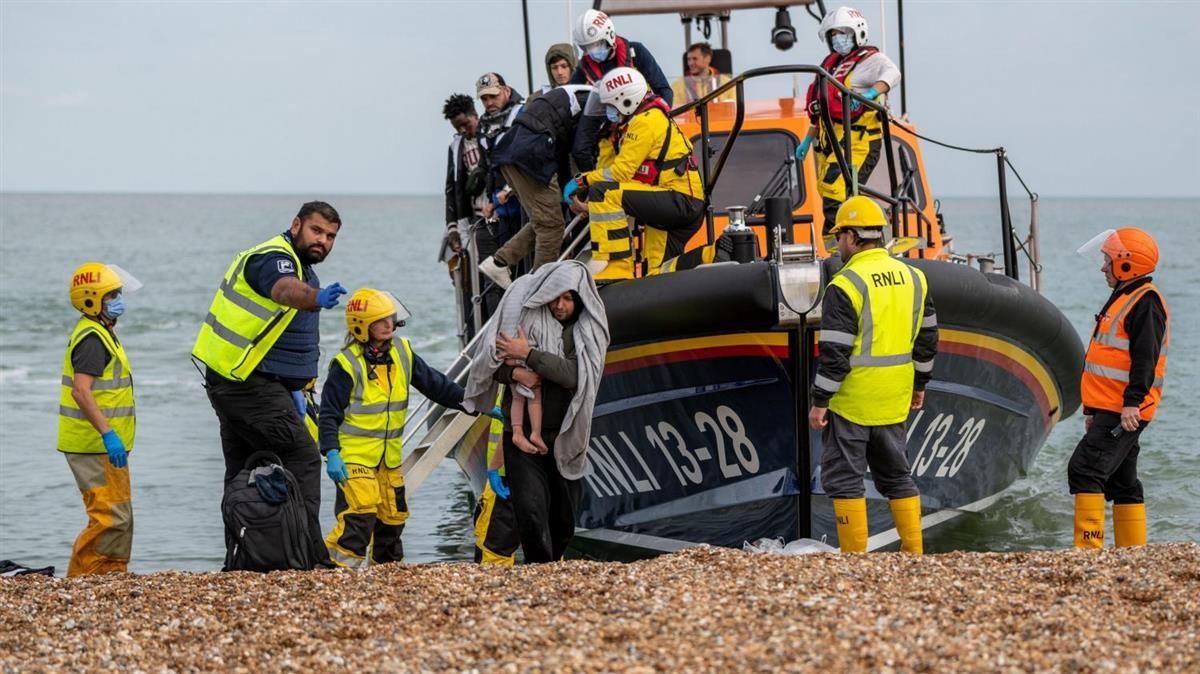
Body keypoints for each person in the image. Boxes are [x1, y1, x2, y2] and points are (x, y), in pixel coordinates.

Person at [192, 201, 347, 567]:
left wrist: (292, 385)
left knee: (243, 469)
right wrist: (316, 298)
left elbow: (275, 331)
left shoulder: (302, 267)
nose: (323, 241)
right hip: (248, 385)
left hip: (235, 380)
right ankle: (309, 558)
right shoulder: (273, 258)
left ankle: (241, 559)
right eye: (316, 231)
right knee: (303, 458)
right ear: (296, 225)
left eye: (330, 237)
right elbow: (283, 290)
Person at [808, 196, 938, 554]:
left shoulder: (846, 284)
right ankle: (914, 553)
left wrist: (821, 401)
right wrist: (920, 384)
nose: (838, 245)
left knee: (845, 479)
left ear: (852, 236)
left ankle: (856, 559)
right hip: (895, 398)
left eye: (839, 237)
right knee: (898, 476)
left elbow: (835, 353)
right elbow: (927, 339)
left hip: (853, 401)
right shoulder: (915, 277)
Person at [318, 288, 467, 567]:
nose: (388, 325)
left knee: (393, 517)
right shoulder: (346, 364)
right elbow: (328, 414)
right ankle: (332, 572)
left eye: (390, 318)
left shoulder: (402, 352)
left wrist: (470, 402)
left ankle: (387, 574)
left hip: (389, 458)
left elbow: (435, 385)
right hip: (354, 458)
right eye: (380, 321)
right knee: (359, 515)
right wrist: (331, 452)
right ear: (362, 327)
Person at [1069, 228, 1168, 549]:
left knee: (1085, 470)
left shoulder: (1145, 302)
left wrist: (1132, 403)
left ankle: (1088, 555)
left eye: (1107, 261)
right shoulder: (1126, 296)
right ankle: (1133, 553)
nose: (1103, 268)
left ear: (1127, 265)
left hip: (1124, 409)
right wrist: (1092, 411)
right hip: (1110, 407)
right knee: (1123, 482)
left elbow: (1145, 360)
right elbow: (1107, 359)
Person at [569, 67, 705, 282]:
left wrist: (583, 180)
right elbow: (614, 168)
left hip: (679, 199)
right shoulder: (636, 123)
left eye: (611, 106)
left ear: (626, 101)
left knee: (604, 192)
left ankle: (615, 263)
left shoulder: (645, 122)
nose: (608, 112)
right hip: (671, 200)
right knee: (655, 271)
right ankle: (707, 258)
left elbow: (620, 173)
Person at [58, 262, 140, 576]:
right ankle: (83, 578)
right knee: (109, 516)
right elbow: (81, 391)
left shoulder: (100, 332)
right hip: (94, 445)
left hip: (103, 445)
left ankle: (110, 573)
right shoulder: (92, 339)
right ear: (92, 299)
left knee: (118, 514)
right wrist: (108, 434)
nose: (120, 299)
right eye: (113, 295)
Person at [477, 83, 594, 289]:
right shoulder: (595, 104)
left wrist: (571, 196)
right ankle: (541, 290)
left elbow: (564, 155)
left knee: (544, 219)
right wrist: (594, 188)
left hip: (511, 156)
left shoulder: (575, 98)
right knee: (552, 226)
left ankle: (499, 262)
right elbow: (581, 151)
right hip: (530, 158)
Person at [797, 6, 901, 231]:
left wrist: (872, 93)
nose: (837, 38)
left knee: (837, 192)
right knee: (829, 192)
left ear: (857, 32)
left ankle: (846, 247)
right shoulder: (830, 66)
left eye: (842, 32)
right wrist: (807, 141)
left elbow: (893, 73)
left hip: (859, 143)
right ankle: (835, 248)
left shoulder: (871, 60)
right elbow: (820, 111)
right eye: (833, 34)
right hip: (832, 143)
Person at [568, 9, 671, 104]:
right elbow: (570, 97)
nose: (592, 51)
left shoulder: (636, 52)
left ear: (609, 36)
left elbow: (664, 91)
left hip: (642, 117)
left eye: (596, 45)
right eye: (587, 47)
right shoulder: (584, 68)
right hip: (606, 122)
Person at [476, 72, 525, 249]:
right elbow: (487, 166)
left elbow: (525, 159)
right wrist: (491, 200)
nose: (489, 103)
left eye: (493, 96)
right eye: (484, 99)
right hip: (501, 209)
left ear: (506, 91)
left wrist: (508, 190)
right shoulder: (482, 127)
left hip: (524, 203)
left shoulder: (522, 115)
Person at [474, 388, 520, 565]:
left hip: (504, 477)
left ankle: (492, 589)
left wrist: (494, 467)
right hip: (546, 475)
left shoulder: (516, 376)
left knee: (494, 547)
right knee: (548, 546)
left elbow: (513, 428)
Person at [442, 93, 486, 260]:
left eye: (465, 124)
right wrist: (452, 227)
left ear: (475, 116)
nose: (462, 130)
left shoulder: (489, 137)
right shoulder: (455, 148)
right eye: (457, 128)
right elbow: (451, 189)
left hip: (497, 212)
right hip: (474, 216)